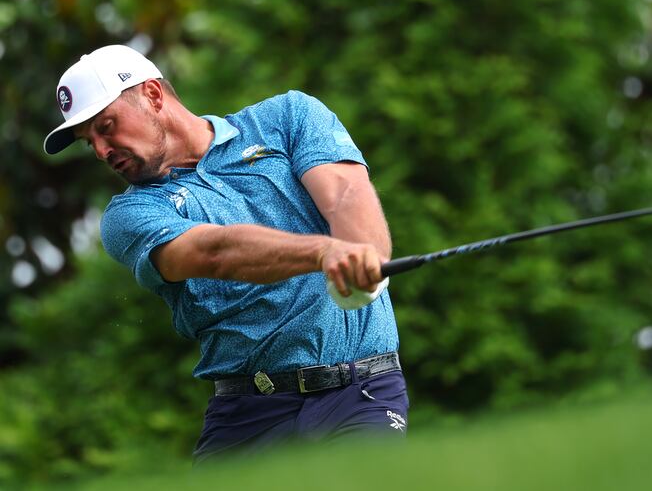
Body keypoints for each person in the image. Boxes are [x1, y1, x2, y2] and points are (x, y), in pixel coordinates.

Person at [44, 45, 408, 461]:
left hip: (362, 393)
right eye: (88, 140)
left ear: (153, 95)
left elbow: (347, 200)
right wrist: (326, 252)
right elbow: (215, 253)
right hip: (248, 414)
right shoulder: (129, 215)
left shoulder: (287, 118)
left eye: (106, 126)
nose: (101, 150)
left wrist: (362, 264)